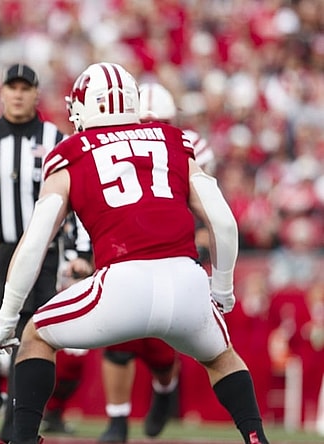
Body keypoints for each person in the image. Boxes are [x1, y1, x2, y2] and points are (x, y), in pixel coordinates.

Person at [0, 62, 271, 444]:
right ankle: (256, 439)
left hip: (122, 284)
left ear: (86, 107)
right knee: (222, 359)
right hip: (187, 279)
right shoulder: (173, 140)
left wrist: (7, 317)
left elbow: (36, 241)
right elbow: (223, 221)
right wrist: (221, 289)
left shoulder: (70, 152)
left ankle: (22, 440)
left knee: (36, 336)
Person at [0, 63, 83, 444]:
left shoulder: (55, 139)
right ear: (1, 92)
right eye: (11, 87)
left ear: (35, 93)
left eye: (24, 88)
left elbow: (74, 197)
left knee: (27, 339)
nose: (17, 94)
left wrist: (78, 250)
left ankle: (16, 426)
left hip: (37, 255)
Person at [97, 81, 218, 443]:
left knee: (163, 347)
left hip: (174, 249)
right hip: (130, 248)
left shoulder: (189, 147)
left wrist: (203, 240)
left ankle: (165, 390)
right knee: (117, 337)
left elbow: (208, 205)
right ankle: (117, 420)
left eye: (159, 122)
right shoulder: (115, 147)